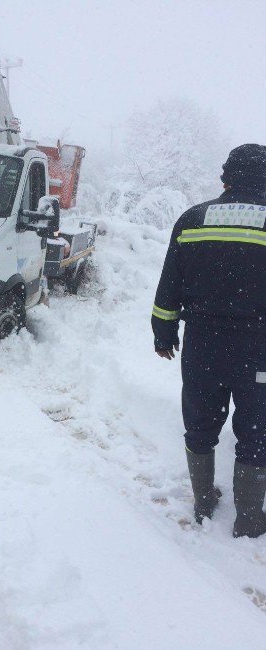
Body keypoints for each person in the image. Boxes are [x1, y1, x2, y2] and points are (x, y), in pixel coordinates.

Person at [152, 144, 266, 538]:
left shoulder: (192, 219)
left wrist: (163, 333)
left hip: (203, 346)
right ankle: (250, 519)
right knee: (257, 430)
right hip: (260, 351)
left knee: (200, 423)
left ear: (226, 178)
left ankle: (203, 502)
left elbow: (170, 286)